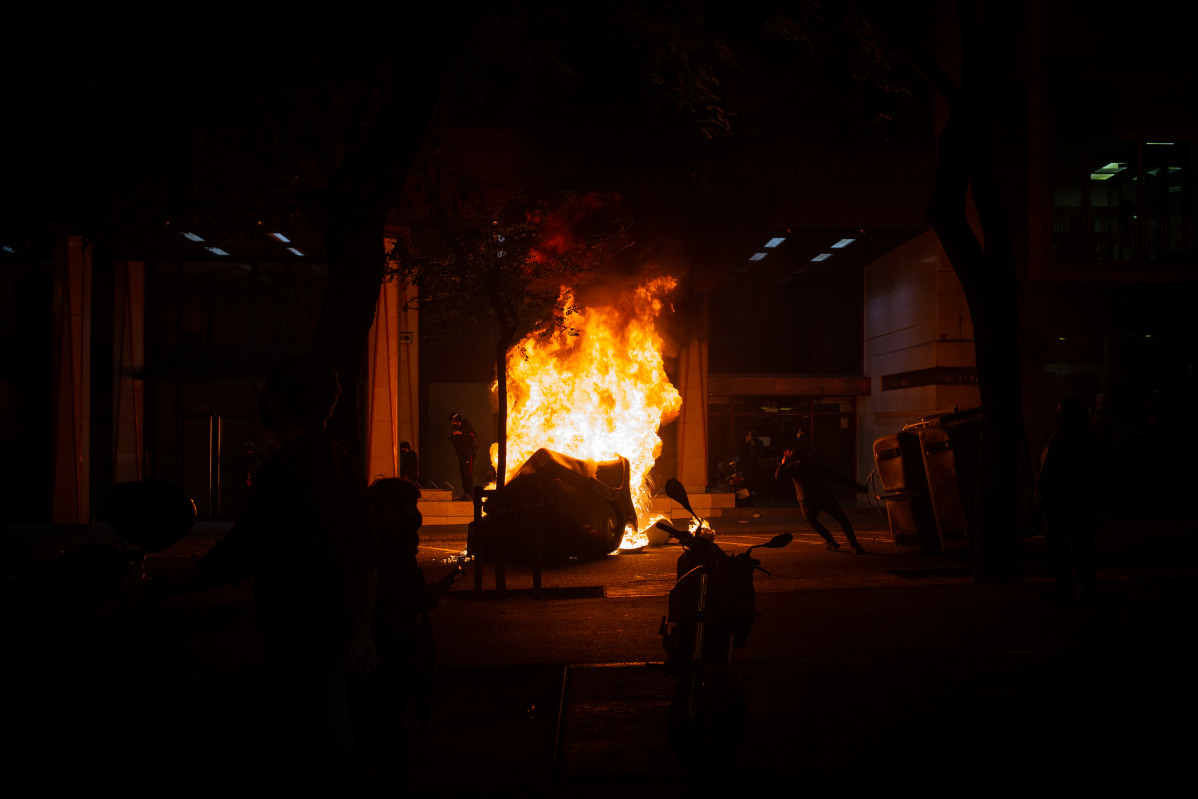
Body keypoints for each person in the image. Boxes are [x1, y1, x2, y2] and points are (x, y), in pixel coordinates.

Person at [184, 356, 379, 792]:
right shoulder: (343, 464)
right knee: (327, 740)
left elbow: (240, 553)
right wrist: (363, 628)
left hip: (297, 635)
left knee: (305, 748)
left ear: (280, 403)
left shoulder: (284, 470)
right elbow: (367, 560)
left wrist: (164, 586)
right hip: (333, 630)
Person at [1036, 396, 1099, 602]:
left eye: (1061, 411)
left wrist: (1042, 495)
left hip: (1060, 502)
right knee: (1079, 545)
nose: (1058, 415)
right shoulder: (1084, 438)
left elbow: (1050, 470)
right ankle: (1085, 587)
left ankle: (1068, 587)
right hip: (1075, 501)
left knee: (1061, 547)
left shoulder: (1064, 439)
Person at [775, 445, 868, 554]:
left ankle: (830, 540)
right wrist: (859, 488)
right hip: (825, 497)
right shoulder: (816, 466)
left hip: (808, 501)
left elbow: (778, 475)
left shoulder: (794, 467)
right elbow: (839, 478)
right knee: (843, 520)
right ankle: (855, 545)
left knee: (811, 519)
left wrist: (783, 463)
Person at [448, 412, 477, 500]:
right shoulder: (458, 429)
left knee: (468, 474)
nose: (452, 424)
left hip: (468, 454)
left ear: (457, 420)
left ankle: (471, 494)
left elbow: (473, 437)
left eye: (453, 422)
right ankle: (466, 493)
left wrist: (460, 433)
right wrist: (453, 436)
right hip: (461, 455)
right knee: (463, 475)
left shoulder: (466, 426)